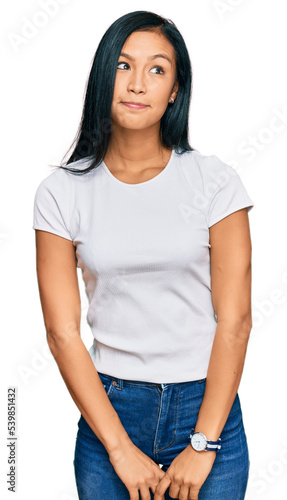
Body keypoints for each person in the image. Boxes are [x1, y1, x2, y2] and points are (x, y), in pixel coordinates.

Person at [32, 10, 255, 500]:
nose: (137, 84)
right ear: (102, 74)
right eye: (123, 66)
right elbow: (62, 331)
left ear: (175, 89)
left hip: (206, 407)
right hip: (111, 409)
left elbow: (235, 320)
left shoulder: (214, 183)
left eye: (157, 69)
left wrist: (204, 441)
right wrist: (117, 448)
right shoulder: (61, 192)